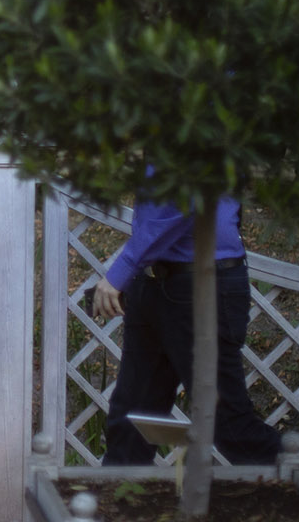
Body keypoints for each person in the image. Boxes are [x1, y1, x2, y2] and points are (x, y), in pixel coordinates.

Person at [90, 197, 282, 464]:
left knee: (230, 426)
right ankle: (114, 501)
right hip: (154, 282)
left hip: (200, 285)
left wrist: (122, 270)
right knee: (131, 422)